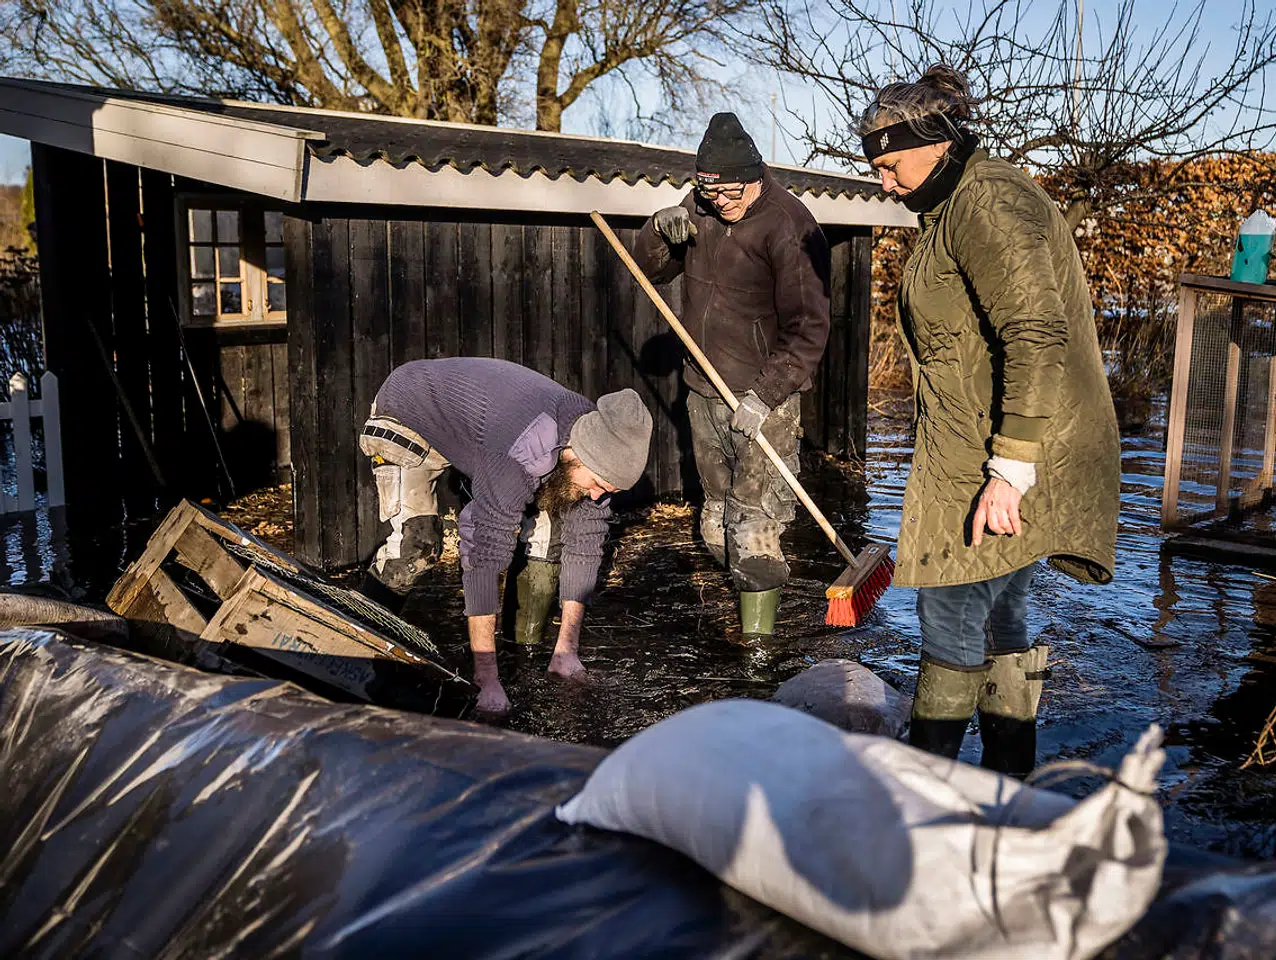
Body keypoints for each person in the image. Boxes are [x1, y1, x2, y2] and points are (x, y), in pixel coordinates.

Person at [856, 66, 1120, 777]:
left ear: (933, 143)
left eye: (889, 165)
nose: (883, 183)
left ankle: (927, 790)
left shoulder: (989, 203)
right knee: (1003, 619)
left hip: (997, 457)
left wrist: (1010, 470)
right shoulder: (957, 204)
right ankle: (1012, 785)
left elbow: (1035, 332)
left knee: (947, 614)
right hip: (987, 446)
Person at [357, 357, 653, 717]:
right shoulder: (525, 447)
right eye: (597, 485)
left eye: (607, 490)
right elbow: (485, 552)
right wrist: (487, 680)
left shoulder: (599, 441)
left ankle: (534, 650)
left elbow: (588, 544)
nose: (597, 496)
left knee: (548, 536)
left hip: (486, 434)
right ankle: (358, 643)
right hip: (409, 410)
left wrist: (568, 652)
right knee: (418, 546)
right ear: (578, 455)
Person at [634, 112, 831, 640]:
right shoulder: (697, 207)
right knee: (716, 515)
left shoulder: (789, 225)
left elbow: (809, 326)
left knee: (756, 521)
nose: (716, 204)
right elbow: (649, 270)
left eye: (727, 194)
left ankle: (758, 655)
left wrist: (766, 395)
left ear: (755, 177)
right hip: (703, 387)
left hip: (764, 396)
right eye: (707, 193)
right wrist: (658, 231)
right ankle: (738, 609)